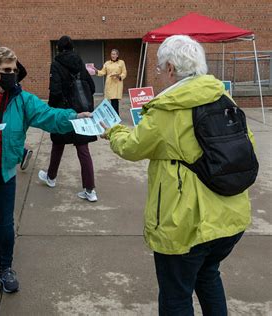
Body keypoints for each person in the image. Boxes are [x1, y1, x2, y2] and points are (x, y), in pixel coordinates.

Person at [101, 35, 253, 315]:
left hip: (185, 224)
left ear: (171, 68)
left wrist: (113, 130)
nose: (159, 75)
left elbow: (132, 147)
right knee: (208, 276)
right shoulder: (223, 95)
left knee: (176, 295)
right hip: (229, 218)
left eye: (159, 68)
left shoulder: (167, 108)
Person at [0, 47, 91, 294]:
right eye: (7, 70)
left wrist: (75, 117)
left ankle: (5, 268)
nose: (13, 74)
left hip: (4, 172)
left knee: (4, 225)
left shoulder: (21, 99)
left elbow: (48, 116)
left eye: (15, 69)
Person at [38, 35, 98, 202]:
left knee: (58, 144)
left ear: (59, 48)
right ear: (72, 48)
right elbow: (92, 87)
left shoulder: (56, 64)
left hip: (64, 112)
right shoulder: (80, 63)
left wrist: (51, 109)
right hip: (82, 112)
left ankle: (51, 177)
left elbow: (55, 91)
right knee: (83, 150)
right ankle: (89, 190)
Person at [0, 36, 33, 170]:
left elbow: (23, 71)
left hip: (7, 97)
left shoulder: (6, 58)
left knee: (9, 128)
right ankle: (21, 152)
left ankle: (21, 152)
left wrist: (12, 82)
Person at [94, 49, 127, 115]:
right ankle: (112, 116)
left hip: (117, 83)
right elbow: (103, 72)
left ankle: (116, 115)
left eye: (114, 54)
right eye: (112, 54)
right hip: (109, 83)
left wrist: (119, 76)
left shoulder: (121, 62)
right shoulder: (107, 63)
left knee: (115, 100)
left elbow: (124, 72)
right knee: (110, 100)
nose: (113, 55)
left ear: (117, 55)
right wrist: (96, 71)